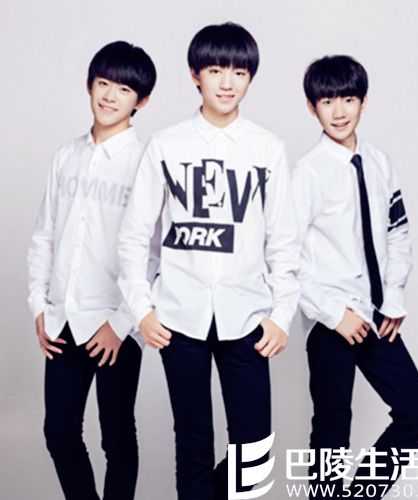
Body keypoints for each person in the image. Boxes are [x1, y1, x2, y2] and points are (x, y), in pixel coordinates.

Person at [118, 22, 299, 500]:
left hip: (248, 316)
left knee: (253, 454)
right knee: (193, 442)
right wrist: (142, 309)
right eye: (216, 70)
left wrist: (281, 315)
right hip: (179, 317)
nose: (227, 82)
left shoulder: (267, 149)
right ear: (195, 74)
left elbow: (284, 241)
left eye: (239, 72)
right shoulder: (166, 145)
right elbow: (134, 236)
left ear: (250, 78)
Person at [293, 54, 418, 499]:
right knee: (332, 429)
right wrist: (334, 314)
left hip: (376, 315)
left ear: (364, 101)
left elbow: (398, 231)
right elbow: (284, 258)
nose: (339, 111)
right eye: (327, 101)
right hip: (331, 320)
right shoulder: (308, 172)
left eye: (348, 99)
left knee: (417, 413)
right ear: (312, 107)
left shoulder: (379, 162)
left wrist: (392, 297)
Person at [27, 40, 156, 500]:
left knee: (116, 435)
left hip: (114, 324)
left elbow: (155, 254)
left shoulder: (145, 163)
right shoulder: (67, 155)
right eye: (103, 84)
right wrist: (39, 305)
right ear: (89, 86)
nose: (110, 96)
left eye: (124, 89)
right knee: (60, 433)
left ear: (141, 101)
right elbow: (45, 234)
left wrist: (122, 323)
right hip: (63, 317)